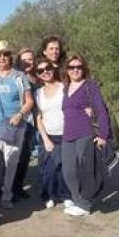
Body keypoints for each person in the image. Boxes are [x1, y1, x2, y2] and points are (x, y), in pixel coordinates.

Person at [0, 40, 34, 209]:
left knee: (11, 161)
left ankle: (6, 196)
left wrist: (20, 115)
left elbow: (29, 102)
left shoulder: (20, 77)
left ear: (10, 56)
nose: (2, 58)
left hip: (15, 126)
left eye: (5, 54)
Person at [61, 54, 109, 217]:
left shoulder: (90, 85)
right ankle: (77, 199)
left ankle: (85, 204)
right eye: (71, 67)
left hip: (86, 133)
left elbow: (101, 111)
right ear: (67, 70)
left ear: (84, 68)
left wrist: (103, 135)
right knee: (69, 171)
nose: (75, 70)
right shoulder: (65, 87)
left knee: (87, 171)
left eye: (78, 67)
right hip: (68, 135)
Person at [35, 57, 72, 209]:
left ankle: (66, 196)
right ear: (38, 75)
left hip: (66, 134)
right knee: (48, 170)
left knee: (64, 168)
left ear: (53, 69)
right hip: (48, 136)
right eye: (41, 71)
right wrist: (45, 139)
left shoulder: (65, 88)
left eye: (47, 68)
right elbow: (38, 118)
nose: (45, 72)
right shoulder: (38, 93)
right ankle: (48, 195)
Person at [12, 48, 40, 200]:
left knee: (26, 156)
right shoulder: (15, 77)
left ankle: (18, 186)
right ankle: (12, 188)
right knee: (17, 155)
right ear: (18, 61)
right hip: (20, 119)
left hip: (36, 120)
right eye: (24, 59)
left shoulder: (39, 76)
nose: (28, 62)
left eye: (30, 59)